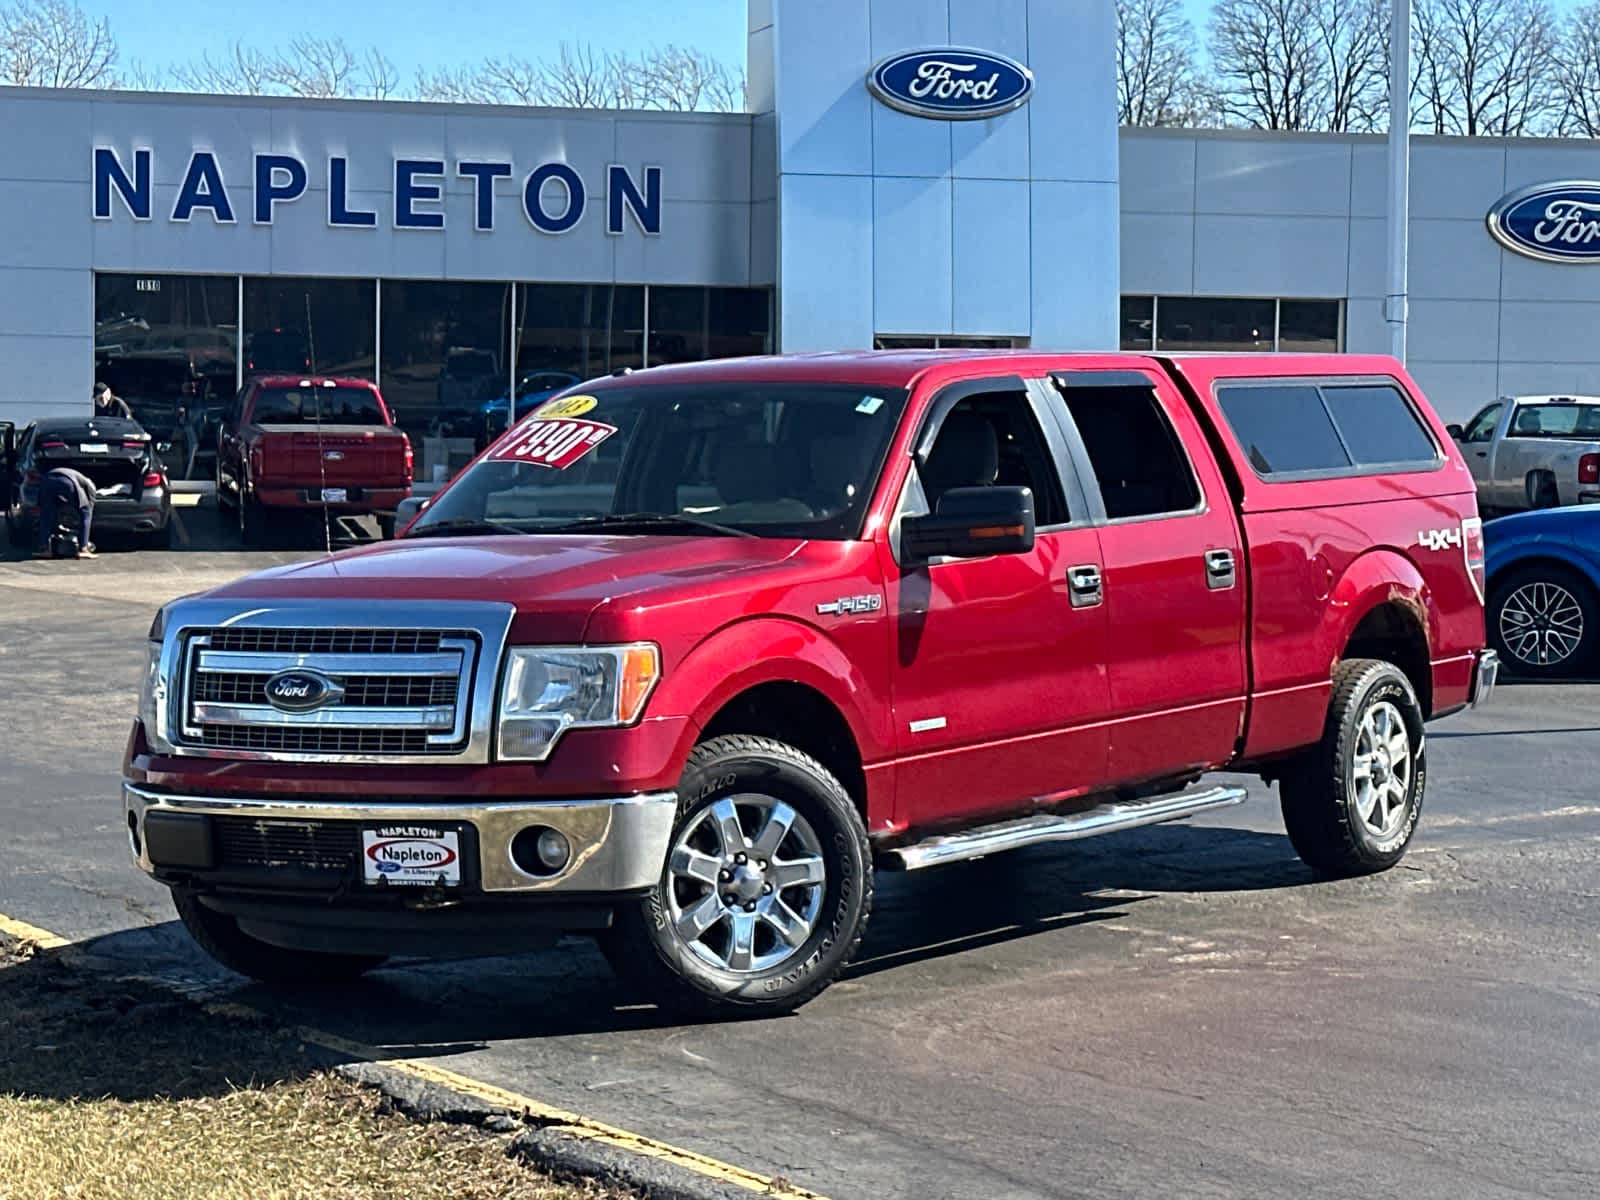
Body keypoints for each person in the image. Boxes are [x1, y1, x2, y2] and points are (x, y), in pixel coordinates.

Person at [34, 466, 96, 559]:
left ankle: (45, 549)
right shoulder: (90, 487)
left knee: (46, 516)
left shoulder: (80, 478)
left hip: (47, 480)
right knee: (86, 514)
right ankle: (83, 549)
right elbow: (87, 510)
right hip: (67, 481)